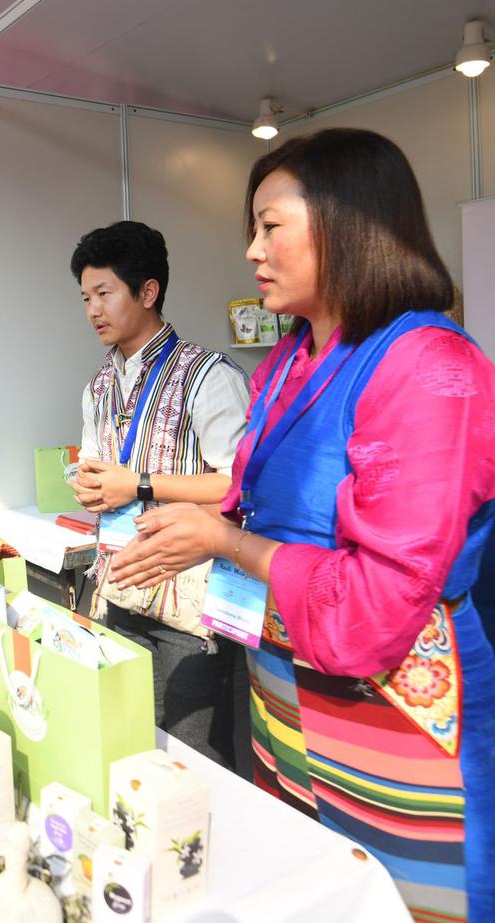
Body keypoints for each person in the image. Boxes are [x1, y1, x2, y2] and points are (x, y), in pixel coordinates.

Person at [112, 128, 495, 922]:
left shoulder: (430, 367)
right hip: (287, 694)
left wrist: (225, 541)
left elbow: (380, 599)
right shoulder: (290, 359)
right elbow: (254, 493)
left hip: (394, 707)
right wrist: (189, 518)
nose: (252, 249)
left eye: (270, 224)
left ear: (350, 221)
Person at [69, 221, 249, 767]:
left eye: (105, 293)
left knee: (191, 763)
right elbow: (97, 470)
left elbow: (238, 487)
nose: (94, 309)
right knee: (126, 752)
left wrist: (140, 484)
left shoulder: (208, 375)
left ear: (148, 292)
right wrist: (89, 487)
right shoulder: (98, 387)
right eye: (85, 297)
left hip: (187, 612)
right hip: (118, 592)